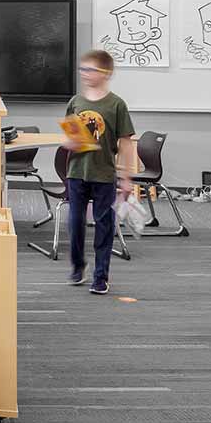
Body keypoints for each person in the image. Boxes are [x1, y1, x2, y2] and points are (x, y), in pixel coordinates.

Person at [62, 48, 138, 295]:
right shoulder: (76, 102)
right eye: (82, 69)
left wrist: (127, 178)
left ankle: (100, 276)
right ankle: (77, 266)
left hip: (104, 174)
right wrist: (69, 142)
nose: (84, 73)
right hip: (76, 172)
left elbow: (126, 143)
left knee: (104, 225)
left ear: (106, 73)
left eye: (90, 69)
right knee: (75, 223)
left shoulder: (116, 104)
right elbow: (69, 136)